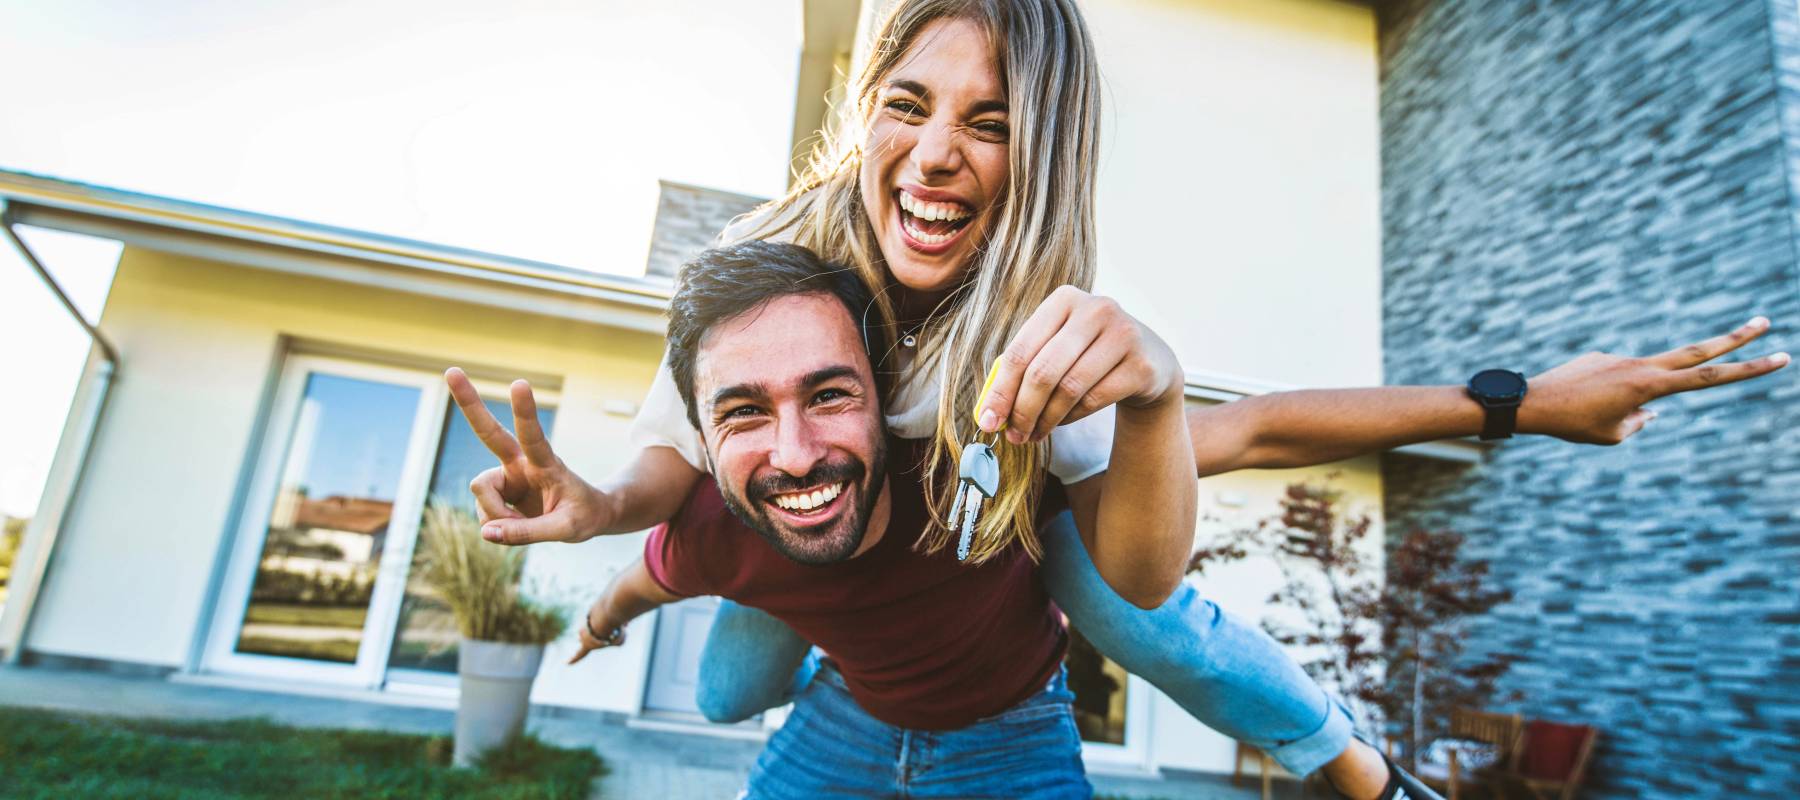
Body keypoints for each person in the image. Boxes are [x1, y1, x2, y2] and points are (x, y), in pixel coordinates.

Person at [447, 1, 1788, 798]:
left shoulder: (1040, 357)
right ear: (865, 118)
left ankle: (1347, 760)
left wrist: (1520, 404)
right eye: (908, 106)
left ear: (1042, 149)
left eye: (991, 119)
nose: (935, 153)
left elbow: (1248, 434)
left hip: (1002, 702)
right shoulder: (773, 308)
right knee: (730, 639)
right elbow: (655, 460)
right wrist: (602, 527)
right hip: (832, 678)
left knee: (1106, 591)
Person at [589, 240, 1149, 797]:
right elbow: (636, 587)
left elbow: (1150, 457)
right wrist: (596, 625)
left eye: (829, 395)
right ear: (702, 446)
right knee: (721, 697)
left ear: (886, 403)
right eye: (744, 412)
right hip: (844, 713)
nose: (796, 456)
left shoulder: (979, 462)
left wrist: (1166, 396)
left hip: (1014, 728)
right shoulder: (716, 528)